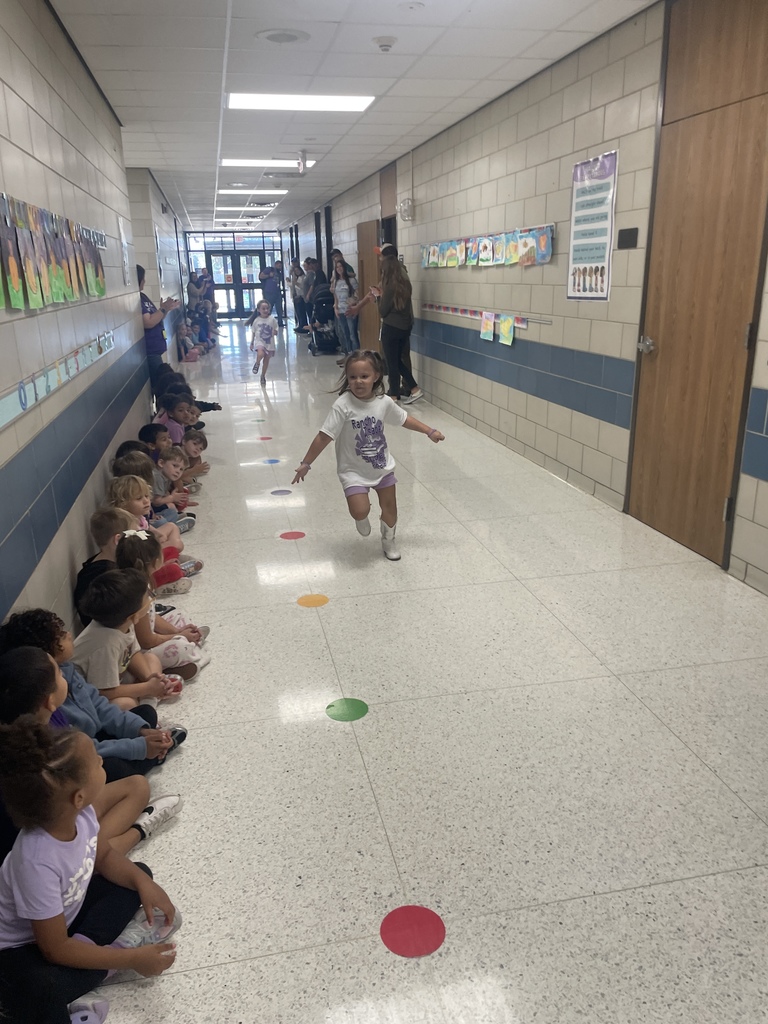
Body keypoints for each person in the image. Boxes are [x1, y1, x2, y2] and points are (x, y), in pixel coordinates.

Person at [0, 717, 180, 1024]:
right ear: (78, 795)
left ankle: (85, 975)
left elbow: (106, 857)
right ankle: (101, 967)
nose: (102, 763)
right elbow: (55, 949)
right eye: (97, 764)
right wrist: (131, 959)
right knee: (42, 989)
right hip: (21, 947)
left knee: (138, 874)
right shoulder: (35, 861)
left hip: (63, 921)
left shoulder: (81, 815)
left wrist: (141, 882)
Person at [292, 350, 444, 560]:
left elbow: (404, 419)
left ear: (376, 376)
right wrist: (306, 463)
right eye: (353, 377)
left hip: (381, 467)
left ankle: (388, 540)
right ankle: (361, 517)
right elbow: (323, 437)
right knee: (359, 510)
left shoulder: (384, 402)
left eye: (364, 376)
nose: (358, 382)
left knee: (390, 508)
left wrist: (429, 431)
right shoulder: (343, 405)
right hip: (352, 470)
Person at [0, 618, 186, 785]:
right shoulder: (49, 718)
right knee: (115, 770)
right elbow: (87, 751)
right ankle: (154, 755)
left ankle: (152, 749)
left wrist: (140, 730)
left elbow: (100, 705)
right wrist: (140, 747)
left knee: (145, 714)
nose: (69, 635)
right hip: (85, 754)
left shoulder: (67, 670)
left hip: (94, 737)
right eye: (61, 635)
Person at [74, 568, 180, 710]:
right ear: (135, 616)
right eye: (147, 598)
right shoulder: (105, 644)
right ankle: (146, 711)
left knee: (151, 659)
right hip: (91, 699)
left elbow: (132, 653)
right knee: (125, 704)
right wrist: (147, 687)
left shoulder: (122, 623)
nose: (150, 600)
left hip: (115, 679)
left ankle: (149, 704)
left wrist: (151, 679)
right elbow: (103, 692)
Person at [116, 532, 210, 682]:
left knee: (179, 616)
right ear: (155, 561)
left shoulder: (140, 581)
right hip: (138, 652)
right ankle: (154, 674)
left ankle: (188, 645)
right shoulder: (137, 594)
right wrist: (179, 636)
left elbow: (151, 617)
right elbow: (147, 641)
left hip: (146, 638)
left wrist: (177, 631)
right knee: (181, 647)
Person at [348, 243, 423, 405]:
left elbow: (383, 309)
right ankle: (408, 390)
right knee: (395, 360)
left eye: (381, 257)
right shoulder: (403, 277)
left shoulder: (390, 282)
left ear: (387, 261)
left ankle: (399, 392)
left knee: (392, 360)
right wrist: (360, 306)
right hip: (405, 325)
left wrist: (378, 297)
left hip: (392, 326)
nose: (379, 260)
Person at [138, 265, 179, 396]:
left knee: (163, 384)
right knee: (162, 387)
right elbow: (148, 322)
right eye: (143, 279)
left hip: (156, 350)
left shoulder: (143, 296)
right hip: (150, 352)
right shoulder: (137, 299)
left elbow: (156, 318)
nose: (144, 282)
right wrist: (162, 310)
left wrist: (165, 309)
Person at [331, 255, 360, 364]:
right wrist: (336, 308)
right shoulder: (336, 282)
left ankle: (357, 357)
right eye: (337, 267)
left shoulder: (352, 280)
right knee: (345, 334)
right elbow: (336, 296)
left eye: (341, 266)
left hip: (350, 310)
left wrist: (354, 302)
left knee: (353, 334)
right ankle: (348, 356)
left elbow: (358, 293)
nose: (339, 269)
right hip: (340, 311)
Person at [249, 299, 278, 384]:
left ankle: (263, 376)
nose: (265, 310)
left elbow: (276, 331)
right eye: (263, 309)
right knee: (260, 353)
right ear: (258, 310)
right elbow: (254, 332)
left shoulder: (272, 319)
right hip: (259, 342)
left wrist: (274, 332)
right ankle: (257, 363)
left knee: (266, 360)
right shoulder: (256, 320)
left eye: (267, 308)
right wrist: (251, 343)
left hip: (269, 343)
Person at [258, 264, 283, 328]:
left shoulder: (280, 273)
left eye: (281, 266)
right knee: (269, 307)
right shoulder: (269, 269)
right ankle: (266, 322)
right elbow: (261, 276)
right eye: (279, 265)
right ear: (275, 265)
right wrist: (269, 275)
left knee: (279, 308)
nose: (280, 267)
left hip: (277, 292)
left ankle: (280, 322)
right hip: (269, 292)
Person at [288, 257, 307, 331]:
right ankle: (300, 325)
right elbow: (293, 285)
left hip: (301, 296)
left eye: (297, 270)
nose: (296, 271)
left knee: (301, 312)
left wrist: (295, 283)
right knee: (298, 312)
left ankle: (303, 326)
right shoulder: (295, 276)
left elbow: (301, 286)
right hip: (296, 295)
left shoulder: (302, 277)